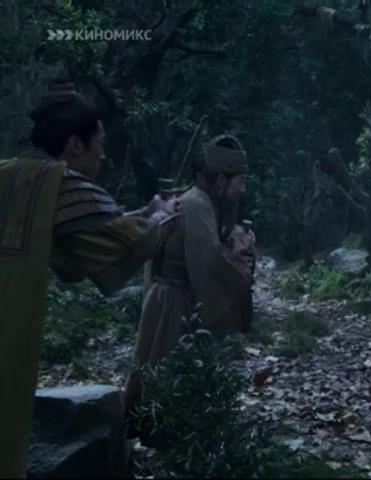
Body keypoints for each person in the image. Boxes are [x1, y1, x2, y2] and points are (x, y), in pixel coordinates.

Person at [0, 80, 177, 478]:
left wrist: (143, 213)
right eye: (100, 144)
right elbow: (120, 244)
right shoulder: (58, 181)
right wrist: (161, 219)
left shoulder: (11, 172)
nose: (103, 155)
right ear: (75, 145)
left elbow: (77, 236)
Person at [125, 134, 255, 431]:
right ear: (221, 180)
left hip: (180, 296)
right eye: (240, 181)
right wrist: (241, 264)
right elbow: (210, 260)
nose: (242, 189)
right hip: (175, 302)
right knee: (164, 379)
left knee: (161, 377)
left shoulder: (202, 201)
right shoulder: (197, 203)